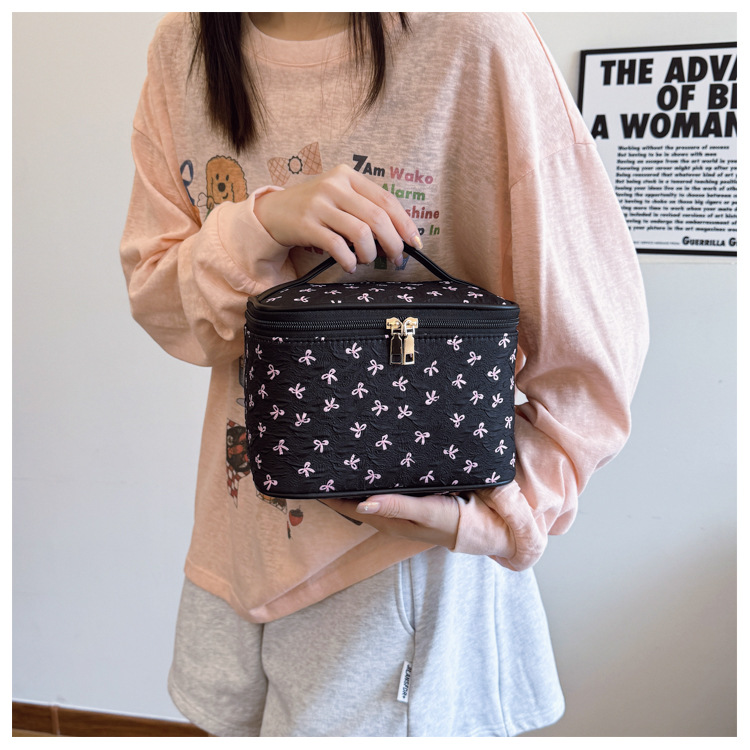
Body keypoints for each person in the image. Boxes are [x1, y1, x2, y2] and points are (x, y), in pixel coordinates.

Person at [120, 12, 649, 737]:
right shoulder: (184, 44)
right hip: (235, 528)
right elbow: (161, 304)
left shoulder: (472, 39)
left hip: (399, 567)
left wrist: (496, 514)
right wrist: (262, 224)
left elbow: (593, 352)